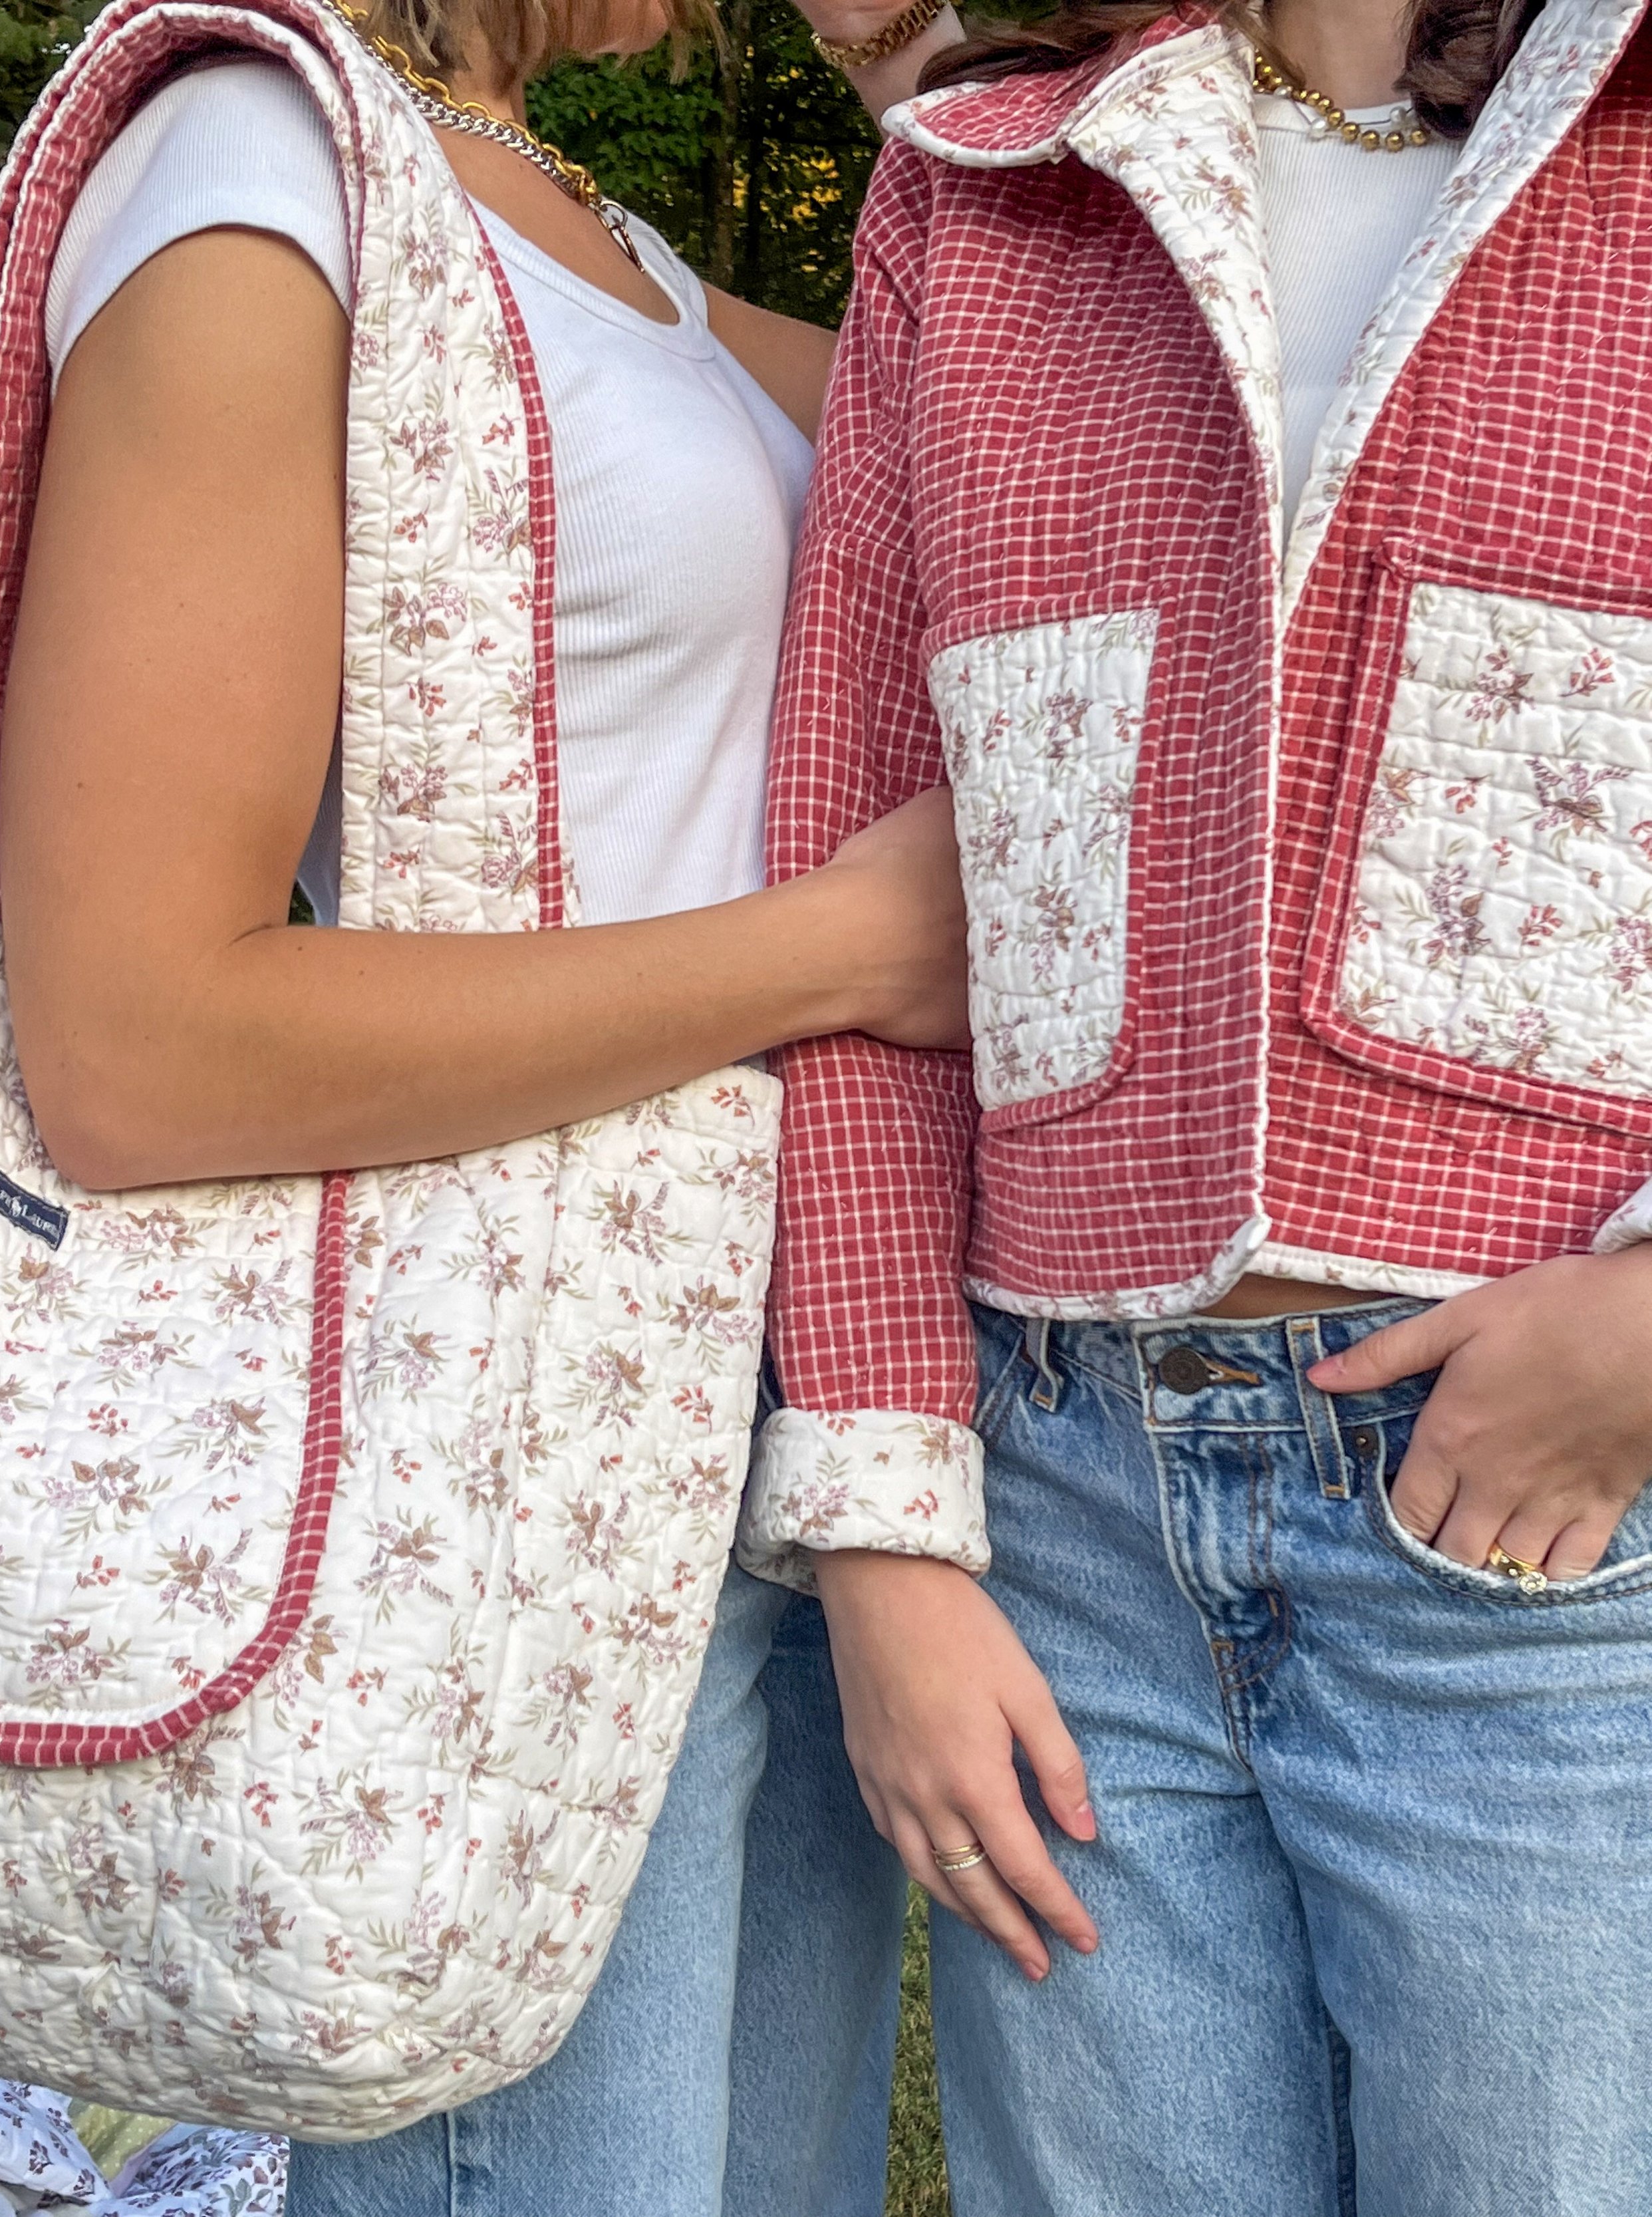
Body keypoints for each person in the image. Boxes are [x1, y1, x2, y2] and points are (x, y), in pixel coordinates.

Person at [0, 0, 968, 2205]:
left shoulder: (560, 214)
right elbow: (134, 1041)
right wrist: (843, 952)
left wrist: (937, 77)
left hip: (734, 1454)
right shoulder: (254, 185)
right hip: (485, 1477)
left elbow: (1034, 427)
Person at [743, 0, 1652, 2206]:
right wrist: (883, 1537)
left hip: (1557, 1525)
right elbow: (850, 863)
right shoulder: (978, 192)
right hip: (1061, 1533)